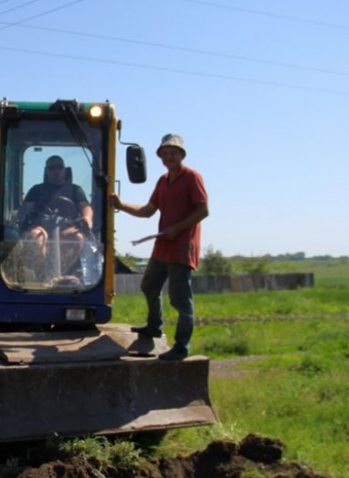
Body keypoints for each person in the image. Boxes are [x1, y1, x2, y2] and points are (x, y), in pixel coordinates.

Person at [110, 133, 208, 360]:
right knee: (149, 285)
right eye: (164, 153)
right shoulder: (163, 182)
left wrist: (177, 229)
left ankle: (181, 348)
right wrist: (120, 204)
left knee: (180, 300)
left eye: (172, 152)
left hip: (182, 248)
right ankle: (154, 326)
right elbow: (147, 211)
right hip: (163, 246)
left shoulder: (192, 177)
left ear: (181, 155)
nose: (168, 156)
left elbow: (203, 210)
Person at [18, 155, 94, 276]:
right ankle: (41, 273)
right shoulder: (36, 190)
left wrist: (87, 218)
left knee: (77, 237)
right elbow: (24, 210)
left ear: (65, 169)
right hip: (41, 226)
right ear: (46, 171)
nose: (56, 171)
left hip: (67, 227)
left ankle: (59, 275)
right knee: (35, 236)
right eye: (51, 168)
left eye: (59, 167)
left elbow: (85, 207)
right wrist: (23, 220)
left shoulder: (75, 190)